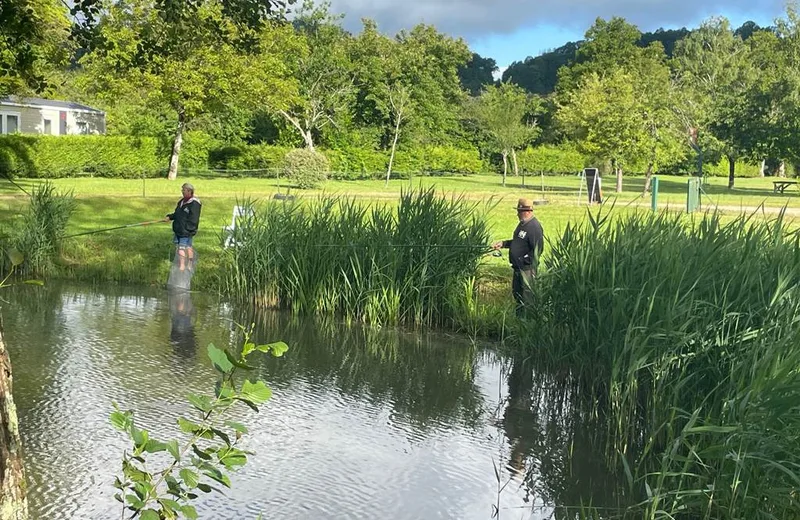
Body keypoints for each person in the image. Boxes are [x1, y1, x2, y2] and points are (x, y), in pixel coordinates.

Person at [493, 198, 544, 316]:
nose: (517, 214)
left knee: (528, 298)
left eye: (519, 211)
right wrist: (504, 244)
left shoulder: (534, 227)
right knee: (518, 295)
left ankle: (528, 322)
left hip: (527, 269)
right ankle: (519, 321)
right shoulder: (522, 225)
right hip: (517, 268)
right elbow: (518, 242)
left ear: (527, 211)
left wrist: (524, 260)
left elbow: (538, 249)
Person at [165, 183, 201, 272]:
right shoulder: (182, 201)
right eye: (182, 190)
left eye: (184, 190)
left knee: (181, 248)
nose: (182, 191)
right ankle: (188, 265)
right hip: (179, 229)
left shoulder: (194, 203)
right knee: (188, 246)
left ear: (189, 191)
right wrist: (170, 217)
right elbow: (177, 214)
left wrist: (189, 229)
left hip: (186, 230)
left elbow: (194, 218)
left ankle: (182, 267)